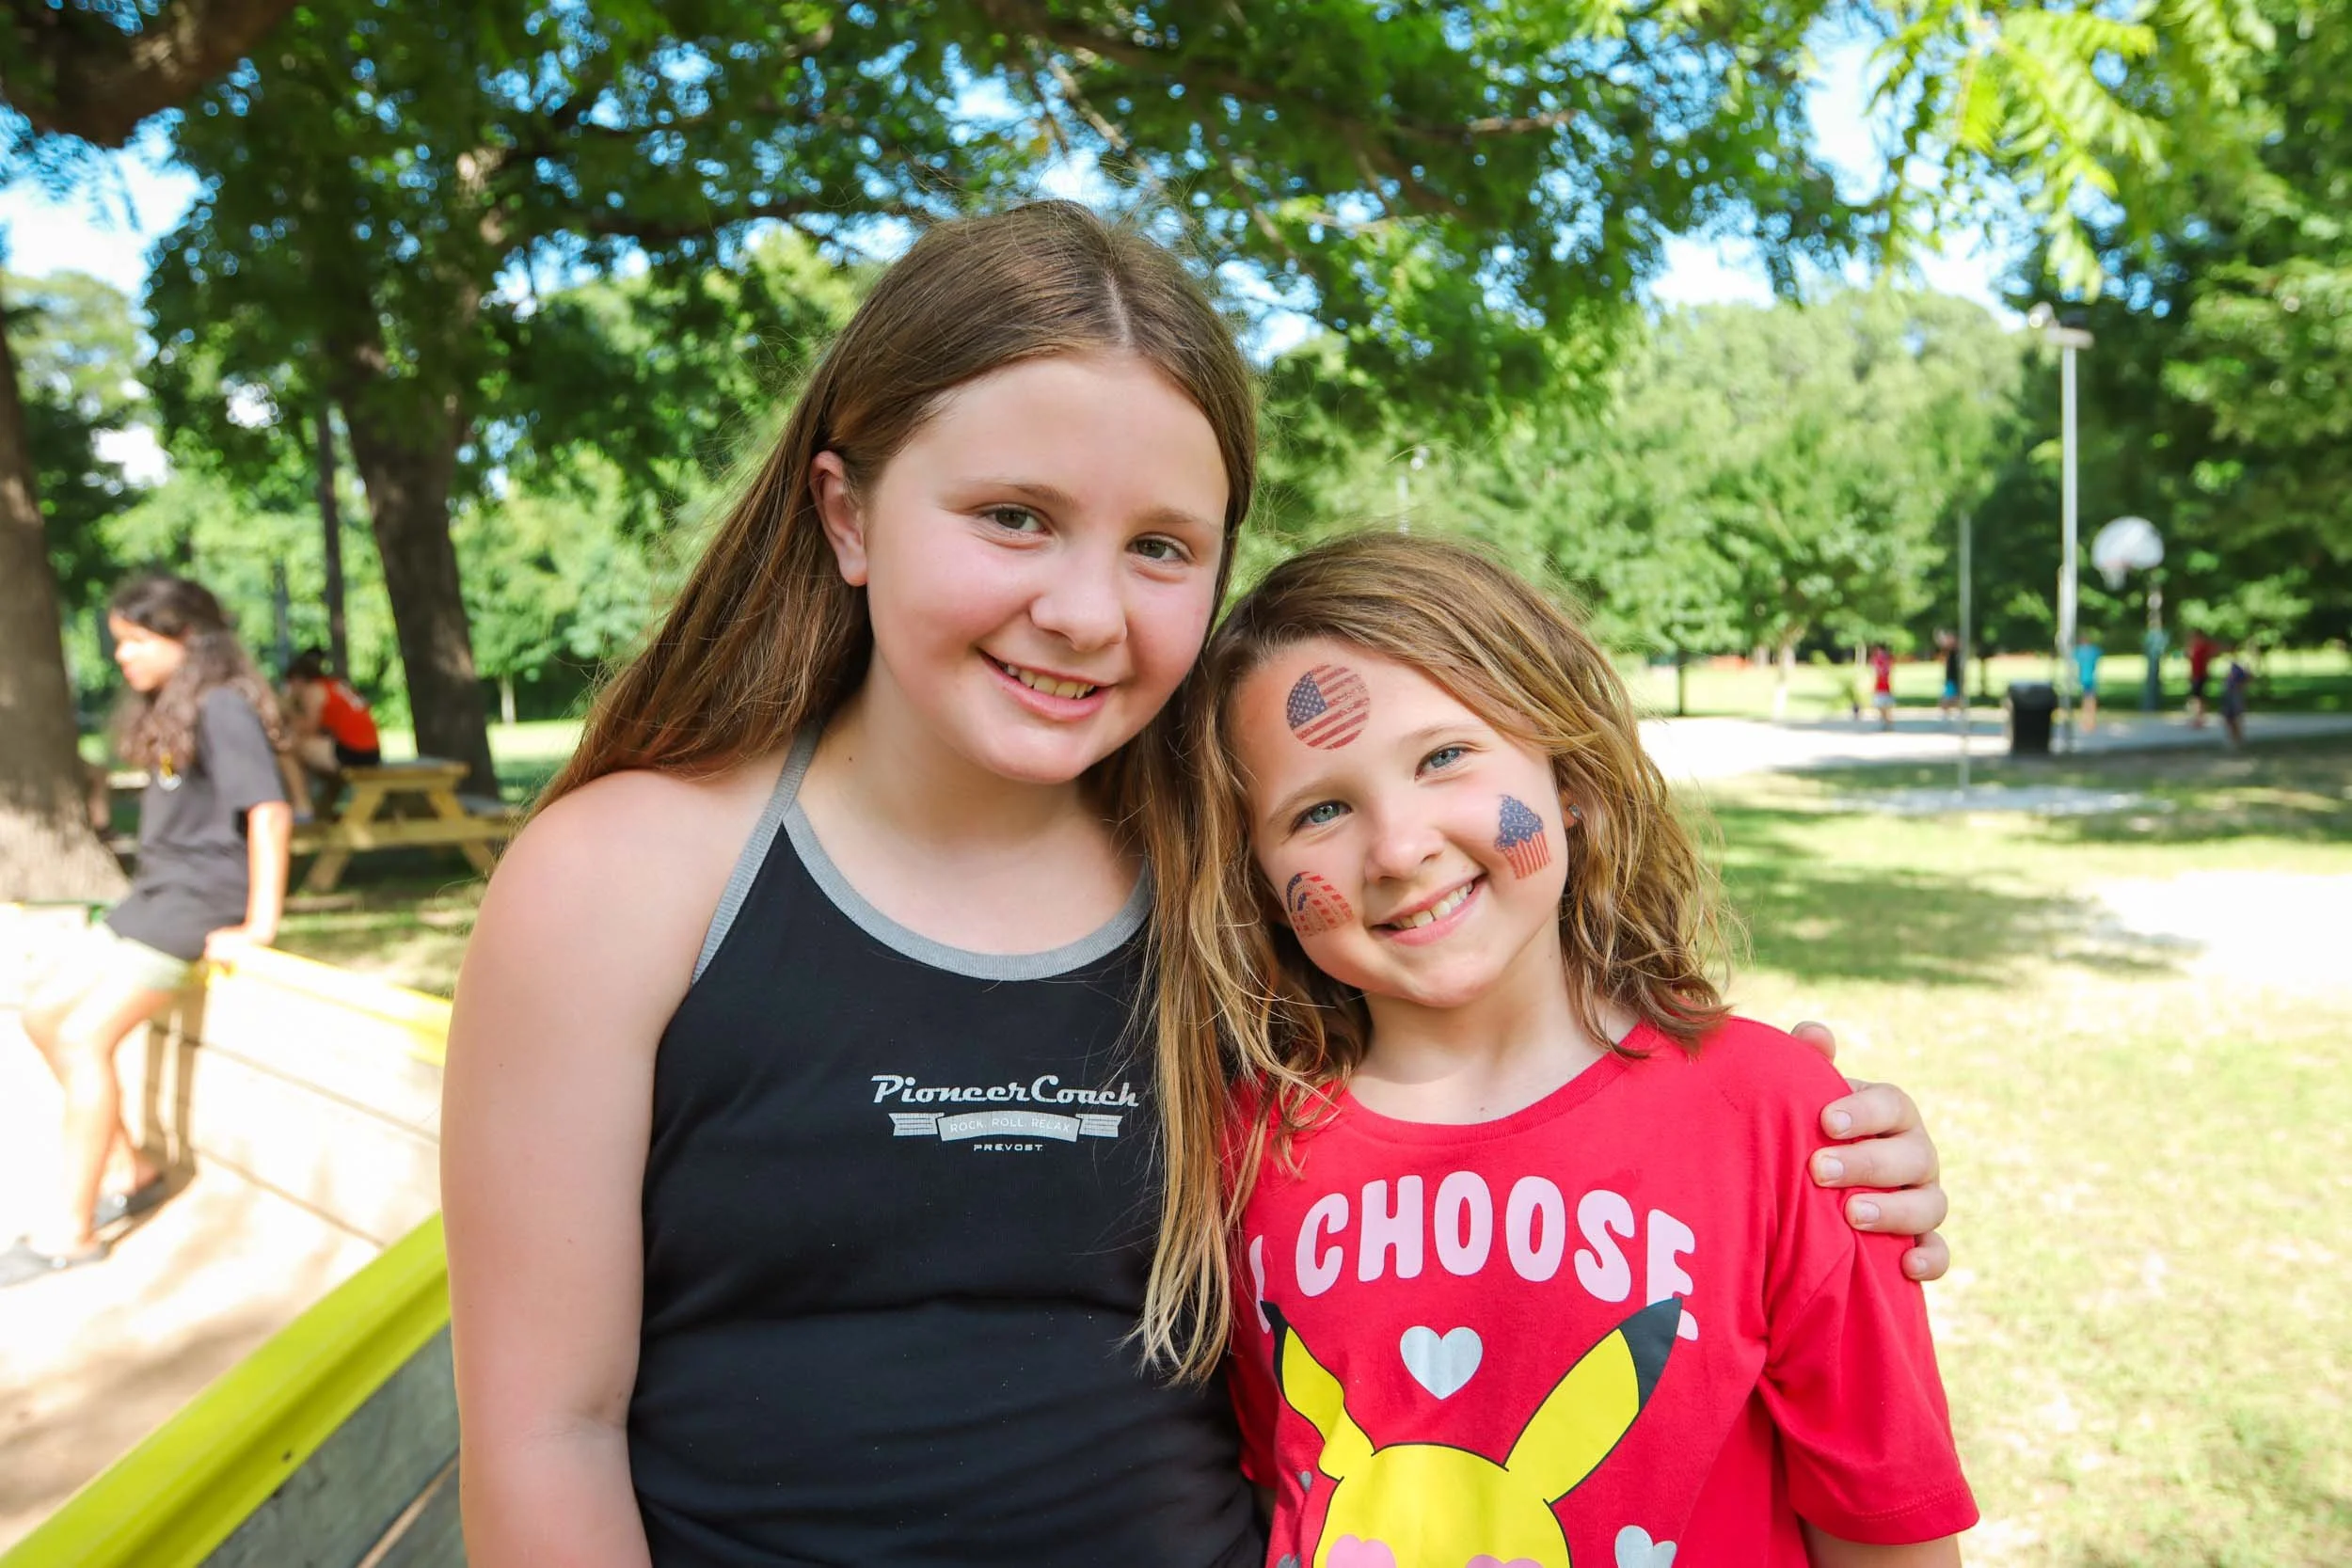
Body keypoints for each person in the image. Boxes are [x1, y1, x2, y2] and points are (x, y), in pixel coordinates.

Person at [441, 202, 1954, 1565]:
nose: (1086, 609)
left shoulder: (1229, 886)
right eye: (1013, 516)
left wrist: (1816, 1152)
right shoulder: (623, 882)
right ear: (846, 512)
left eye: (1162, 545)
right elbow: (542, 1438)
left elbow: (1512, 1104)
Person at [1166, 535, 1972, 1565]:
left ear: (1572, 778)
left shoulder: (1782, 1125)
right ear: (1261, 884)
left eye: (1443, 756)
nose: (1398, 846)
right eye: (1319, 809)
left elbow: (1886, 1537)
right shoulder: (1244, 1154)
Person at [6, 575, 292, 1288]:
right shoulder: (174, 706)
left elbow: (270, 811)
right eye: (119, 643)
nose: (124, 656)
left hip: (197, 901)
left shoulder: (224, 706)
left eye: (137, 640)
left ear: (185, 636)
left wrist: (258, 922)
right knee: (42, 1014)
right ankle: (132, 1168)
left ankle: (71, 1231)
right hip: (154, 894)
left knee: (82, 1037)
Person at [282, 648, 382, 813]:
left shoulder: (313, 690)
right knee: (315, 755)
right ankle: (324, 809)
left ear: (298, 680)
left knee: (286, 749)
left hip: (352, 754)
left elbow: (308, 728)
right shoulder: (336, 685)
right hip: (370, 752)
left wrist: (288, 711)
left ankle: (301, 806)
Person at [2186, 628, 2217, 727]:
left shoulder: (2203, 645)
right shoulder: (2195, 646)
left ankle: (2199, 719)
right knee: (2197, 697)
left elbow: (2213, 652)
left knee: (2197, 698)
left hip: (2200, 675)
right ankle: (2198, 718)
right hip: (2195, 674)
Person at [2074, 633, 2103, 734]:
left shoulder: (2078, 652)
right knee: (2091, 700)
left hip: (2084, 678)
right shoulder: (2094, 650)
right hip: (2092, 678)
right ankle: (2091, 721)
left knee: (2086, 700)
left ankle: (2086, 722)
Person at [2221, 648, 2251, 747]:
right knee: (2229, 717)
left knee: (2234, 717)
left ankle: (2237, 738)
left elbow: (2247, 678)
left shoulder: (2239, 665)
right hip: (2230, 693)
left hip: (2235, 693)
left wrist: (2240, 686)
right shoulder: (2232, 666)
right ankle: (2234, 738)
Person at [1936, 629, 1963, 723]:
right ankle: (1946, 713)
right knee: (1950, 696)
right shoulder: (1949, 650)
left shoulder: (1956, 650)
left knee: (1954, 697)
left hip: (1955, 677)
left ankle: (1955, 713)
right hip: (1951, 677)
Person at [1869, 641, 1897, 731]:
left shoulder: (1884, 660)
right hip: (1881, 686)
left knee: (1884, 707)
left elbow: (1878, 670)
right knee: (1882, 707)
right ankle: (1886, 723)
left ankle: (1887, 724)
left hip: (1884, 687)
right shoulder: (1883, 660)